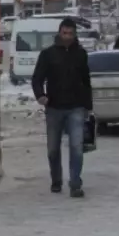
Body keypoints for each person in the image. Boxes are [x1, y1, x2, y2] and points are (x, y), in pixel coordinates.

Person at [31, 18, 93, 197]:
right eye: (64, 33)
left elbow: (86, 81)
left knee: (77, 147)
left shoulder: (80, 54)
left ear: (75, 34)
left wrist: (88, 106)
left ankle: (75, 183)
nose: (67, 37)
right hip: (54, 108)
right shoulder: (48, 54)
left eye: (71, 34)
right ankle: (56, 180)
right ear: (59, 33)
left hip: (76, 107)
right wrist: (40, 96)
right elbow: (37, 78)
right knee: (53, 149)